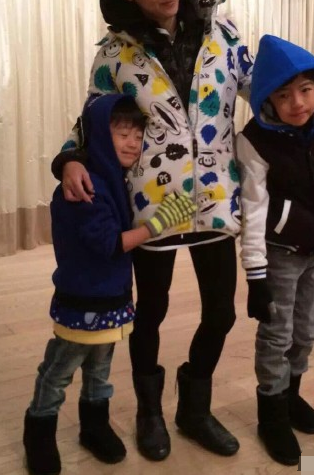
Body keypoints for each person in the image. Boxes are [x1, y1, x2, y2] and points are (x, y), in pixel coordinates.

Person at [51, 0, 314, 461]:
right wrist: (69, 159)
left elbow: (265, 86)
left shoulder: (222, 34)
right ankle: (149, 412)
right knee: (151, 313)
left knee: (221, 313)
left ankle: (194, 406)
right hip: (153, 209)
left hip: (214, 199)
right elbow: (91, 120)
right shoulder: (115, 54)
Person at [23, 94, 196, 475]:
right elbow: (108, 244)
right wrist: (157, 224)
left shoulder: (115, 179)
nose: (133, 143)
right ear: (101, 135)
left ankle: (94, 426)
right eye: (122, 134)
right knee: (59, 370)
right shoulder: (85, 185)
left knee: (100, 370)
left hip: (111, 297)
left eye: (137, 135)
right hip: (81, 298)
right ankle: (38, 430)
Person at [236, 34, 314, 466]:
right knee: (277, 333)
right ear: (268, 98)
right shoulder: (255, 141)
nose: (298, 103)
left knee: (306, 331)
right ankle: (271, 412)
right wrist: (255, 275)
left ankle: (291, 395)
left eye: (306, 90)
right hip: (279, 254)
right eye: (284, 95)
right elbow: (253, 210)